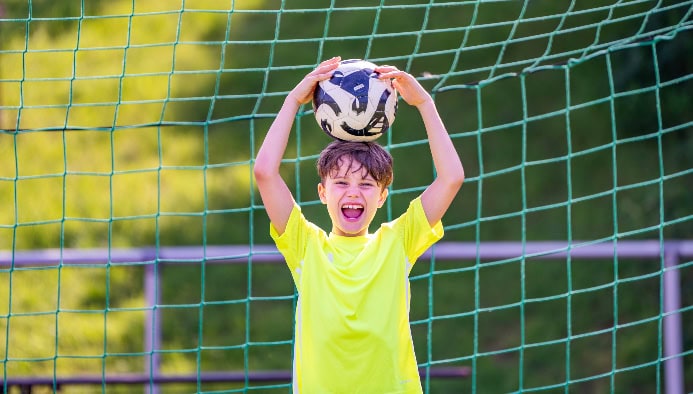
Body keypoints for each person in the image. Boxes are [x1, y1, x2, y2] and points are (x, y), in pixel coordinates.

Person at [253, 56, 464, 393]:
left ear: (381, 196)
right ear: (322, 193)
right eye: (341, 184)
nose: (354, 193)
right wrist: (294, 100)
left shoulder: (397, 241)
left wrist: (424, 103)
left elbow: (452, 178)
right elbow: (264, 172)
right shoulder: (305, 245)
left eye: (366, 185)